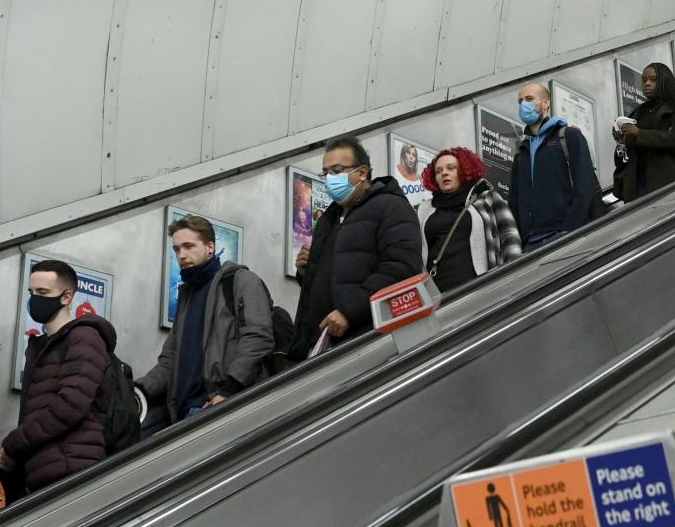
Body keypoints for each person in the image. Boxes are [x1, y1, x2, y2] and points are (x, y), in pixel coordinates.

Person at [137, 215, 274, 431]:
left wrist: (228, 391)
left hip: (216, 406)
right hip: (181, 414)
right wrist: (141, 389)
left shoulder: (240, 281)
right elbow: (170, 359)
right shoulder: (187, 296)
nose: (181, 255)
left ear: (210, 247)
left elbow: (258, 338)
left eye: (189, 246)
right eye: (176, 249)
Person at [290, 135, 423, 358]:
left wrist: (350, 311)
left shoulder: (391, 206)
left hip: (367, 341)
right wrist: (306, 271)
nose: (330, 179)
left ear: (362, 173)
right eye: (326, 173)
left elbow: (402, 267)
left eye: (337, 170)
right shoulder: (329, 218)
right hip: (321, 344)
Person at [0, 259, 116, 492]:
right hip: (46, 468)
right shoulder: (41, 347)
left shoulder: (84, 338)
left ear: (67, 297)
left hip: (73, 467)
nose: (35, 299)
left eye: (43, 292)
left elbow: (70, 406)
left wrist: (13, 445)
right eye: (32, 292)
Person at [509, 81, 599, 251]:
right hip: (530, 244)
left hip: (563, 236)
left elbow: (584, 186)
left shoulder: (569, 137)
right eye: (520, 101)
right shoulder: (522, 152)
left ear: (546, 103)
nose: (523, 105)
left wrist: (570, 230)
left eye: (529, 99)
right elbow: (514, 200)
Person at [416, 147, 521, 292]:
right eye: (438, 171)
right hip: (437, 292)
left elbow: (510, 238)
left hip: (479, 287)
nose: (444, 173)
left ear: (464, 170)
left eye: (451, 168)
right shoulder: (425, 208)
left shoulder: (486, 198)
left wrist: (514, 280)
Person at [613, 63, 675, 202]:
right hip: (638, 183)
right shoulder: (638, 112)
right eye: (644, 80)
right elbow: (627, 153)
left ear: (664, 81)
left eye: (653, 80)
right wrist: (623, 139)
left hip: (666, 182)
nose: (647, 84)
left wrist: (639, 134)